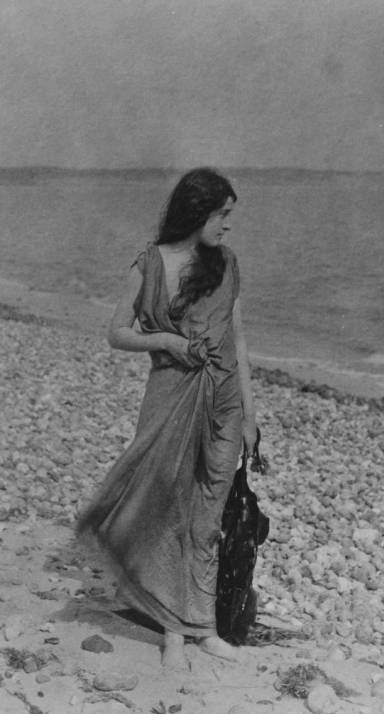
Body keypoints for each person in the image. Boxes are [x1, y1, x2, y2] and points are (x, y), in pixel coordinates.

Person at [77, 167, 257, 669]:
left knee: (207, 520)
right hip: (171, 400)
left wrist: (250, 415)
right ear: (197, 212)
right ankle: (173, 631)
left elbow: (238, 341)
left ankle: (204, 629)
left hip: (223, 404)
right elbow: (117, 332)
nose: (227, 226)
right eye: (222, 215)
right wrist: (165, 340)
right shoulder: (151, 263)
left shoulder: (227, 264)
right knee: (169, 514)